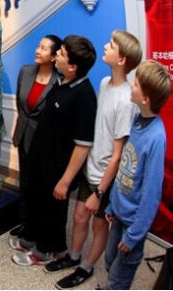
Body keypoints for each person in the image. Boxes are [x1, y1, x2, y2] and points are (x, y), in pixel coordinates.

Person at [50, 31, 142, 289]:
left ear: (122, 59)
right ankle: (74, 256)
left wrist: (100, 192)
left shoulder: (126, 100)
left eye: (111, 45)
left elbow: (118, 155)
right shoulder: (103, 83)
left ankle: (86, 267)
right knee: (79, 217)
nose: (105, 46)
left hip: (105, 178)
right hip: (90, 167)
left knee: (99, 227)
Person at [12, 35, 97, 266]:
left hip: (59, 168)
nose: (57, 54)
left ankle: (44, 252)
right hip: (43, 161)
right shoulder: (62, 83)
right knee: (39, 203)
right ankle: (37, 240)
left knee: (53, 210)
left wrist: (65, 181)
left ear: (72, 66)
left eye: (62, 53)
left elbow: (83, 145)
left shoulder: (84, 96)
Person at [103, 60, 170, 290]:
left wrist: (134, 235)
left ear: (146, 98)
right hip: (119, 212)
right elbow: (125, 166)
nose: (131, 85)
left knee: (120, 276)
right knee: (110, 261)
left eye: (136, 84)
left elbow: (151, 194)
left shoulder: (156, 137)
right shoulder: (137, 120)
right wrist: (112, 204)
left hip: (133, 223)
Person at [10, 34, 62, 240]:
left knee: (39, 187)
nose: (38, 51)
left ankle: (37, 227)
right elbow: (20, 103)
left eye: (44, 48)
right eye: (39, 46)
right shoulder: (26, 71)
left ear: (54, 56)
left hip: (43, 144)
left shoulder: (59, 80)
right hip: (23, 136)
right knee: (24, 183)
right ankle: (25, 223)